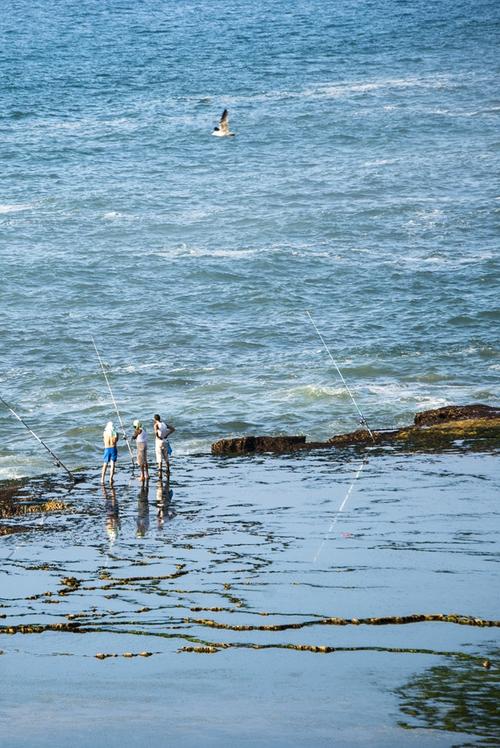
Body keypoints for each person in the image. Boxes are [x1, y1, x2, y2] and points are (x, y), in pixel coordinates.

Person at [153, 414, 175, 478]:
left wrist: (158, 437)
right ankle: (168, 470)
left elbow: (156, 433)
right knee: (166, 456)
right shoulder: (164, 424)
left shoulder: (156, 425)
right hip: (165, 441)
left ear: (155, 419)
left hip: (159, 441)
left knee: (159, 456)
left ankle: (160, 473)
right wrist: (167, 434)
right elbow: (173, 429)